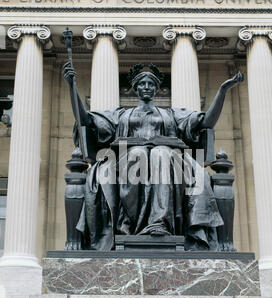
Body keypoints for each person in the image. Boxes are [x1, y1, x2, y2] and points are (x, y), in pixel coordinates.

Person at [63, 62, 244, 251]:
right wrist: (72, 86)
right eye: (142, 84)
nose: (146, 87)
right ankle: (128, 225)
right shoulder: (120, 115)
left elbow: (206, 122)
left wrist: (223, 90)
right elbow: (85, 119)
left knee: (161, 153)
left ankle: (159, 223)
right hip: (127, 161)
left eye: (151, 84)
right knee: (137, 154)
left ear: (157, 88)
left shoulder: (171, 115)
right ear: (135, 88)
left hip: (167, 161)